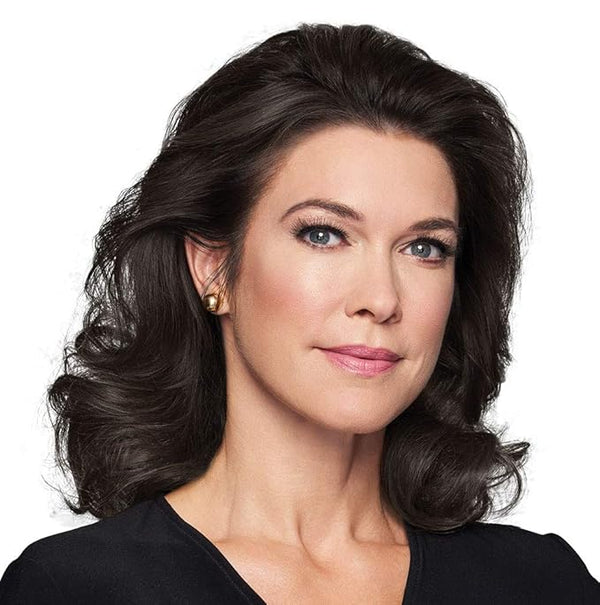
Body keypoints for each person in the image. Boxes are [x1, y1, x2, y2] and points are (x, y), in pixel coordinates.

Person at [0, 22, 598, 604]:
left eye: (424, 248)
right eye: (323, 234)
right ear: (213, 267)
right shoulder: (73, 587)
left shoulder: (543, 584)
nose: (382, 299)